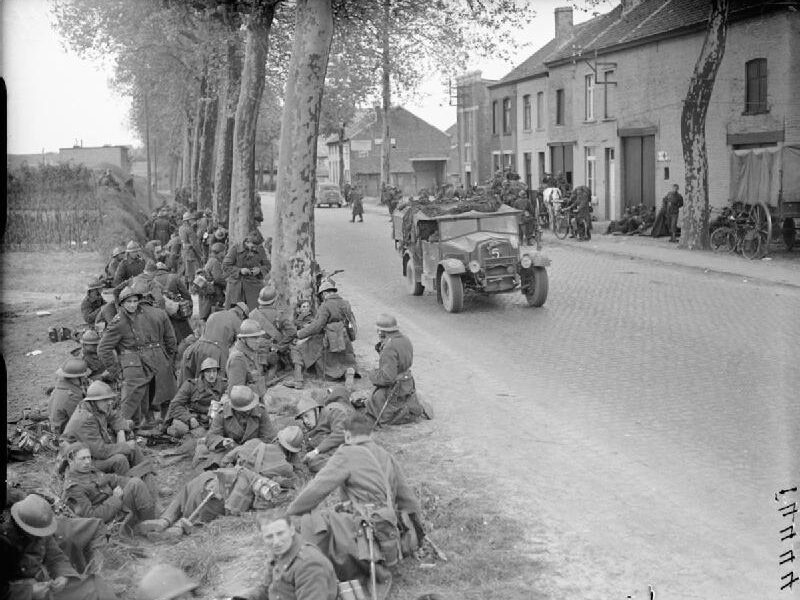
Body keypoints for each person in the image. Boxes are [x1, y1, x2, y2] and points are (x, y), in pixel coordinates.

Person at [285, 413, 424, 583]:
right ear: (369, 434)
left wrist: (290, 512)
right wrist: (416, 536)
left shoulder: (347, 453)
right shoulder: (386, 455)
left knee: (310, 521)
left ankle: (314, 572)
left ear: (347, 435)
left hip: (364, 530)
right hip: (388, 531)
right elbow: (408, 499)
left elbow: (316, 490)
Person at [1, 493, 119, 600]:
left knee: (95, 586)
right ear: (22, 526)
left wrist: (63, 575)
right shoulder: (5, 542)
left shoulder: (40, 530)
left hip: (39, 585)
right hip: (17, 591)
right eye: (36, 533)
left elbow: (56, 556)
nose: (40, 537)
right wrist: (29, 592)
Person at [97, 285, 177, 424]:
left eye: (135, 301)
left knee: (155, 395)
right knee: (138, 400)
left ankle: (159, 423)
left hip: (150, 361)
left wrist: (168, 358)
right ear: (122, 303)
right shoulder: (120, 321)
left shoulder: (144, 314)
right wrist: (116, 371)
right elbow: (103, 348)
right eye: (129, 302)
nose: (133, 305)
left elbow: (171, 340)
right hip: (140, 365)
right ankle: (144, 424)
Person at [62, 443, 156, 535]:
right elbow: (91, 517)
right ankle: (150, 525)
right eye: (82, 458)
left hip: (116, 505)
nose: (87, 462)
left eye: (89, 457)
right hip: (112, 519)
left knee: (145, 473)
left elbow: (111, 479)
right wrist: (115, 499)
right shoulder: (73, 488)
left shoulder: (88, 470)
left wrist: (126, 482)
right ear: (70, 460)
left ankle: (151, 518)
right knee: (135, 483)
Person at [238, 516, 338, 600]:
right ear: (262, 537)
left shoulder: (309, 564)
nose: (276, 542)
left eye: (280, 533)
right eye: (269, 537)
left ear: (291, 530)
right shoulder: (280, 551)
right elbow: (266, 589)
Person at [61, 381, 143, 475]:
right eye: (105, 400)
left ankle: (145, 476)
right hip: (81, 461)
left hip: (92, 452)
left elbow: (115, 416)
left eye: (109, 399)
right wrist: (124, 446)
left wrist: (120, 431)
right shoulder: (85, 419)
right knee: (120, 459)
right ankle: (126, 482)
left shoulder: (97, 407)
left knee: (133, 446)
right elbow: (100, 452)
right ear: (93, 401)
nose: (109, 403)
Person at [194, 385, 278, 470]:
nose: (248, 411)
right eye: (245, 410)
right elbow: (212, 436)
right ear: (235, 408)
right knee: (208, 456)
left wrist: (248, 446)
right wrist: (222, 442)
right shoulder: (222, 414)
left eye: (250, 407)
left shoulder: (260, 411)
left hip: (253, 450)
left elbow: (268, 437)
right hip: (229, 450)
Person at [365, 314, 427, 427]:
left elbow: (388, 378)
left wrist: (373, 375)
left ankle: (406, 412)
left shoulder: (389, 347)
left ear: (381, 331)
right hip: (408, 382)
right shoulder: (405, 339)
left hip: (396, 387)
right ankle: (412, 407)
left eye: (378, 330)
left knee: (374, 403)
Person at [295, 280, 357, 382]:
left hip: (328, 338)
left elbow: (317, 326)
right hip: (344, 336)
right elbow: (350, 320)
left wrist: (300, 334)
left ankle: (298, 379)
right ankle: (348, 371)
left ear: (324, 293)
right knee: (346, 360)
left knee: (303, 348)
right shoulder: (346, 303)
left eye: (322, 295)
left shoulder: (325, 305)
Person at [249, 285, 302, 382]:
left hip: (254, 351)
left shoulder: (252, 315)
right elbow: (292, 332)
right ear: (275, 300)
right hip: (272, 351)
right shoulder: (279, 315)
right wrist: (280, 346)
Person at [296, 385, 354, 473]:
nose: (305, 421)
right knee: (313, 463)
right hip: (336, 452)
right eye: (302, 418)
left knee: (315, 463)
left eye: (307, 416)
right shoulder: (313, 428)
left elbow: (341, 432)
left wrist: (316, 451)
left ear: (316, 410)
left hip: (350, 446)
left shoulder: (333, 410)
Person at [165, 358, 225, 438]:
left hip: (215, 421)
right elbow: (175, 405)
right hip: (194, 419)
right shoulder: (190, 385)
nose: (211, 375)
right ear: (203, 373)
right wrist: (189, 418)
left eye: (214, 371)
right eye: (208, 372)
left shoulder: (224, 385)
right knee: (180, 428)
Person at [223, 230, 271, 310]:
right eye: (252, 246)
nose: (255, 249)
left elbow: (268, 265)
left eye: (256, 247)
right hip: (236, 287)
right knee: (234, 312)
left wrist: (259, 270)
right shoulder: (235, 249)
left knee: (254, 312)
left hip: (253, 287)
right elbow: (225, 265)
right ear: (247, 242)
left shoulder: (260, 249)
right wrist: (240, 270)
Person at [226, 318, 269, 396]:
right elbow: (235, 394)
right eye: (254, 338)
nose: (258, 341)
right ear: (243, 339)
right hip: (248, 401)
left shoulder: (251, 350)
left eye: (259, 337)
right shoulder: (238, 359)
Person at [49, 358, 91, 435]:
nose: (85, 378)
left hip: (59, 425)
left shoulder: (61, 386)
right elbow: (81, 419)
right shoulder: (72, 396)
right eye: (83, 377)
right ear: (76, 378)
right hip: (65, 432)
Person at [197, 242, 227, 320]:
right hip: (214, 292)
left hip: (208, 292)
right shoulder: (215, 262)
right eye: (224, 251)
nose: (224, 254)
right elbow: (218, 278)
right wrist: (227, 284)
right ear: (220, 252)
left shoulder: (210, 260)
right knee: (214, 314)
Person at [178, 211, 203, 286]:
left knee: (187, 271)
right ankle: (192, 289)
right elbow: (195, 244)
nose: (192, 221)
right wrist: (201, 255)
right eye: (191, 219)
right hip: (191, 253)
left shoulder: (181, 228)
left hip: (184, 251)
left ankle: (187, 287)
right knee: (194, 272)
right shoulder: (189, 229)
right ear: (187, 221)